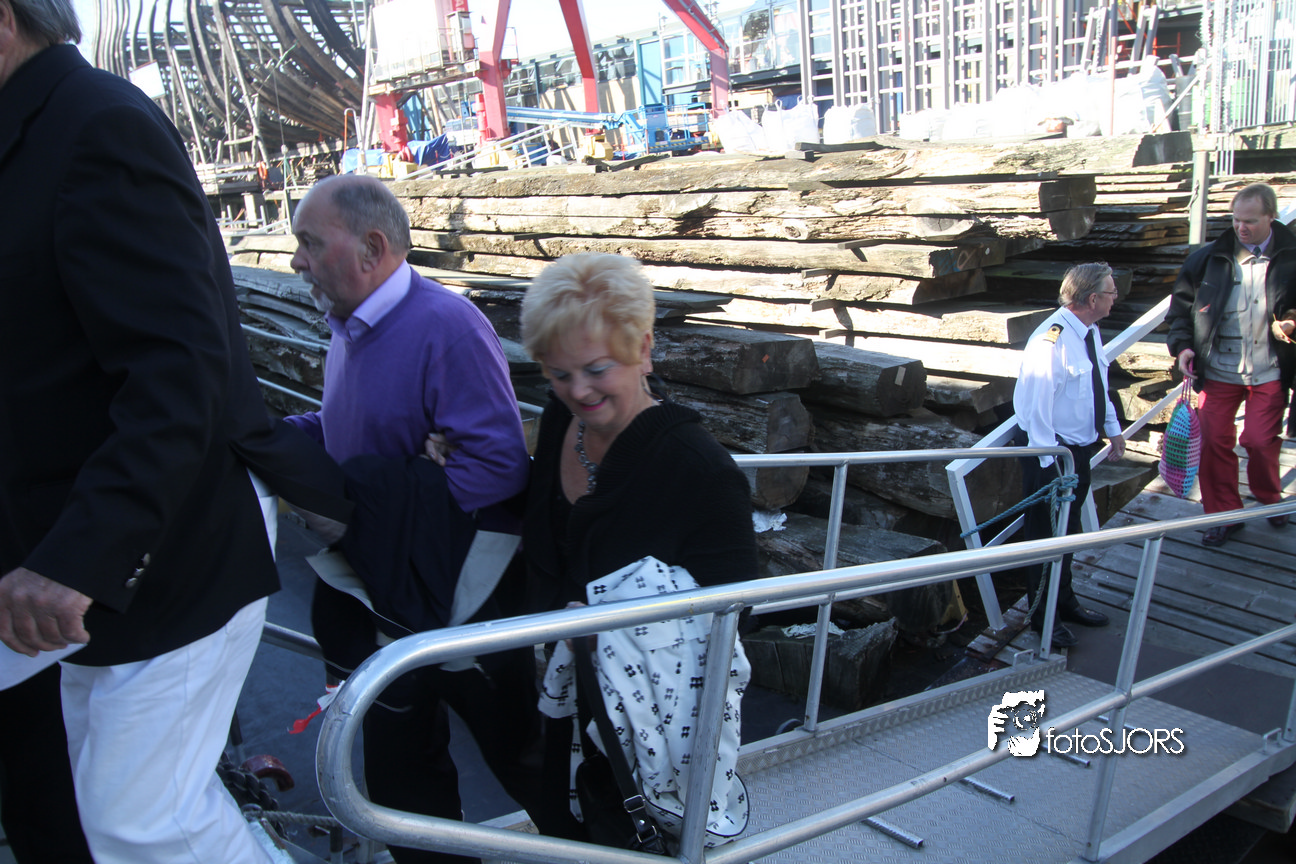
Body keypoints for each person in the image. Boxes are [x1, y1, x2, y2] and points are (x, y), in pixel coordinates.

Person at [0, 2, 349, 862]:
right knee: (99, 813)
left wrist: (78, 558)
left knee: (143, 821)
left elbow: (180, 370)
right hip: (74, 555)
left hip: (160, 556)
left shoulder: (96, 128)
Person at [284, 174, 538, 864]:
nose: (298, 260)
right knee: (400, 782)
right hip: (386, 592)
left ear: (371, 248)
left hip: (457, 599)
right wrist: (268, 439)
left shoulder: (447, 327)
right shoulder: (350, 325)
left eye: (310, 243)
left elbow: (498, 467)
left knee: (523, 762)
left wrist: (383, 495)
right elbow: (347, 433)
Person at [518, 252, 759, 842]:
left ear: (644, 349)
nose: (578, 390)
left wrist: (608, 627)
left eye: (596, 369)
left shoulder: (699, 470)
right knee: (562, 820)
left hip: (640, 721)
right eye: (559, 373)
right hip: (561, 684)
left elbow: (733, 613)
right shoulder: (561, 418)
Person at [1167, 182, 1296, 547]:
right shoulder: (1206, 260)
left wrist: (1291, 323)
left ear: (1271, 217)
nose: (1241, 227)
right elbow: (1180, 313)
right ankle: (1224, 515)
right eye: (1236, 220)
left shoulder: (1292, 257)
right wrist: (1183, 348)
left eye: (1250, 221)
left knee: (1259, 440)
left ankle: (1269, 500)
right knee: (1212, 443)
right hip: (1218, 370)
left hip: (1270, 369)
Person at [1013, 262, 1125, 649]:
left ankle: (1065, 601)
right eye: (1111, 292)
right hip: (1052, 454)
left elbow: (1098, 385)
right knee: (1045, 537)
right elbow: (1035, 408)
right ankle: (1043, 619)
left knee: (1069, 530)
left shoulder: (1089, 331)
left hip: (1077, 452)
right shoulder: (1051, 342)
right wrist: (1050, 463)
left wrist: (1112, 428)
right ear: (1092, 299)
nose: (1115, 298)